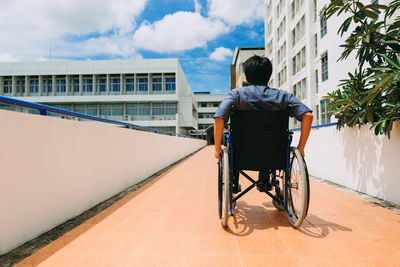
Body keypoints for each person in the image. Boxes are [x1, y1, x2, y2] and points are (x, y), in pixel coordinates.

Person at [213, 55, 313, 193]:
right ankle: (264, 180)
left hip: (241, 156)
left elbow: (219, 118)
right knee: (268, 142)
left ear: (246, 78)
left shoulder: (236, 95)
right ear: (269, 77)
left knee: (231, 142)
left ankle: (233, 183)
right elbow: (308, 116)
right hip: (274, 156)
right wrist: (301, 148)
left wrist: (217, 148)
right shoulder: (283, 97)